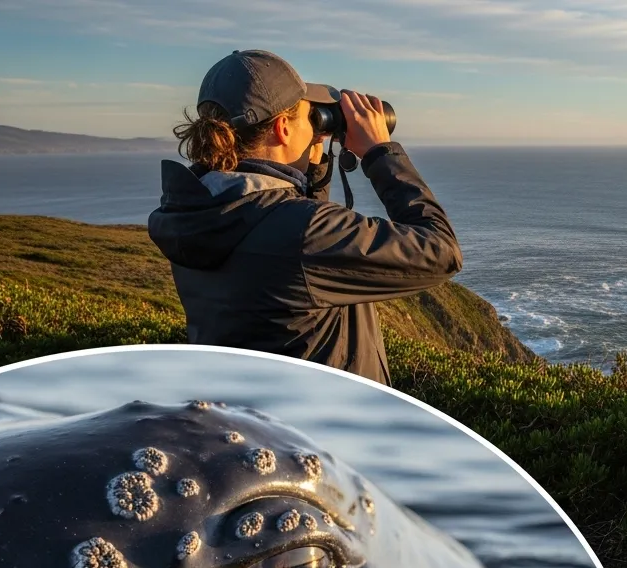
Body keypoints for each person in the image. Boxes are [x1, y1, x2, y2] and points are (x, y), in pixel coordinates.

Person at [148, 49, 461, 386]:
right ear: (283, 128)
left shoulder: (194, 211)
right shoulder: (302, 232)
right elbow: (440, 251)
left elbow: (293, 249)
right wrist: (379, 153)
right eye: (307, 116)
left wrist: (312, 165)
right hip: (329, 428)